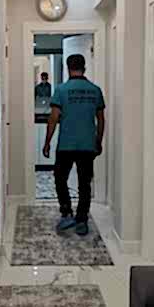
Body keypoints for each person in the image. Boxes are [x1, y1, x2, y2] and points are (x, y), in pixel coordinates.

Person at [43, 53, 105, 236]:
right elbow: (101, 119)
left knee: (60, 179)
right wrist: (98, 141)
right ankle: (82, 220)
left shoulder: (61, 90)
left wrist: (47, 142)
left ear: (68, 68)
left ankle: (67, 213)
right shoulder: (95, 90)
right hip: (87, 145)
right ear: (84, 68)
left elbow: (53, 118)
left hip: (66, 145)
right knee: (84, 184)